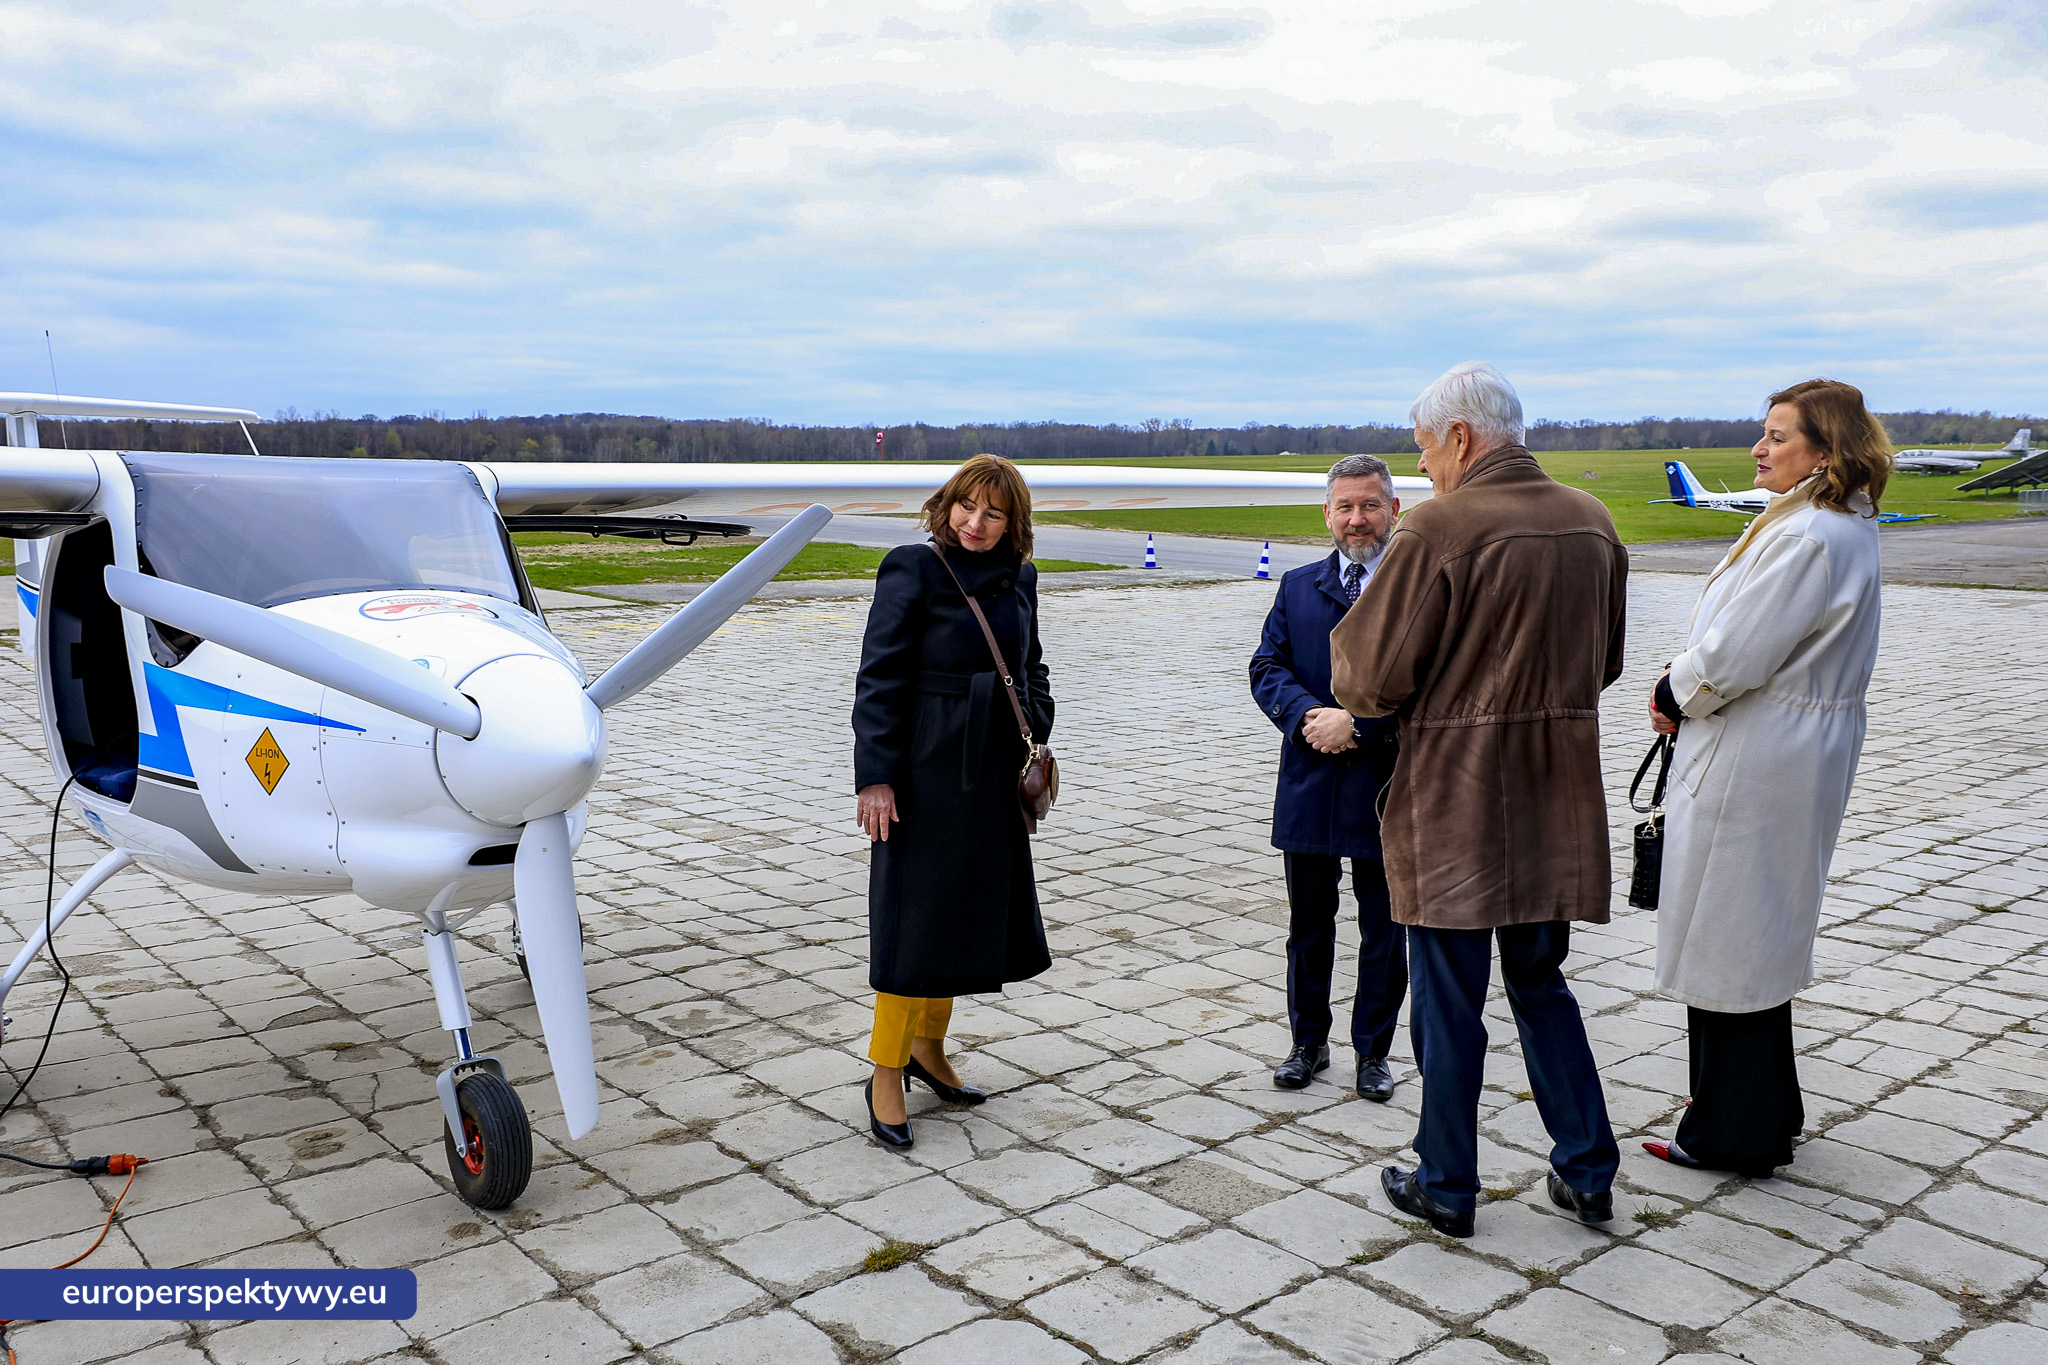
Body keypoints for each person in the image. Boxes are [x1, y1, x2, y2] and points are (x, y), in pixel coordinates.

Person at [1331, 362, 1624, 1238]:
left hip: (1456, 799)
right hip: (1558, 794)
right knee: (1543, 986)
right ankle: (1588, 1169)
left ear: (1460, 436)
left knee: (1448, 997)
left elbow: (1370, 680)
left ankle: (1446, 1181)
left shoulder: (1439, 528)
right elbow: (1604, 662)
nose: (1421, 469)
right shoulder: (1593, 520)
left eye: (1424, 449)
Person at [1640, 379, 1887, 1178]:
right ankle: (1760, 1111)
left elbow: (1734, 655)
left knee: (1732, 935)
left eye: (1778, 436)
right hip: (1789, 744)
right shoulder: (1835, 524)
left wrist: (1670, 690)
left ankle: (1730, 1131)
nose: (1759, 447)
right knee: (1756, 930)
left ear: (1826, 450)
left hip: (1760, 750)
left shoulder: (1809, 534)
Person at [851, 454, 1054, 1151]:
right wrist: (874, 776)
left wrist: (1036, 718)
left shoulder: (1020, 576)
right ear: (948, 504)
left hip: (992, 773)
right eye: (968, 506)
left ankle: (929, 1051)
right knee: (915, 926)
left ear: (1012, 522)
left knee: (964, 918)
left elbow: (1030, 665)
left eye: (994, 512)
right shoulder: (912, 567)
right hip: (923, 773)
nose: (977, 522)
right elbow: (878, 677)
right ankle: (885, 1070)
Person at [1248, 455, 1406, 1099]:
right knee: (1308, 926)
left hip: (1385, 787)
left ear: (1393, 509)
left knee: (1383, 929)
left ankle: (1373, 1052)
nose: (1357, 519)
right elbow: (1266, 666)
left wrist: (1361, 725)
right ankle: (1307, 1044)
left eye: (1369, 505)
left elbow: (1435, 685)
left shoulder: (1415, 586)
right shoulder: (1297, 585)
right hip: (1310, 779)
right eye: (1344, 506)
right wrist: (1306, 713)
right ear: (1327, 513)